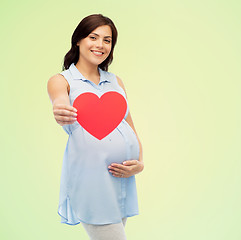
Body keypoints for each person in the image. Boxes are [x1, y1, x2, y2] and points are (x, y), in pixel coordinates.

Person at [47, 14, 144, 240]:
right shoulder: (62, 80)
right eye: (93, 37)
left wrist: (139, 164)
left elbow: (129, 126)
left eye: (107, 40)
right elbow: (59, 101)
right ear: (78, 40)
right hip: (93, 183)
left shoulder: (116, 81)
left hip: (122, 181)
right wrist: (61, 110)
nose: (100, 45)